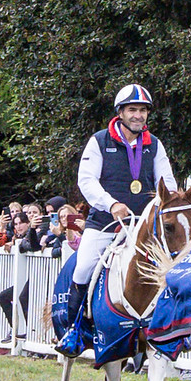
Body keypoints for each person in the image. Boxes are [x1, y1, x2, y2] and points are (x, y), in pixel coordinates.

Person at [56, 83, 179, 356]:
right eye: (133, 110)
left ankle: (167, 332)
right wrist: (110, 204)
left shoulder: (154, 145)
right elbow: (86, 181)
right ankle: (74, 330)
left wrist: (169, 202)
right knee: (83, 268)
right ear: (120, 113)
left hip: (144, 227)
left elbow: (166, 182)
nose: (138, 115)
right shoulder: (99, 141)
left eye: (143, 110)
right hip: (106, 224)